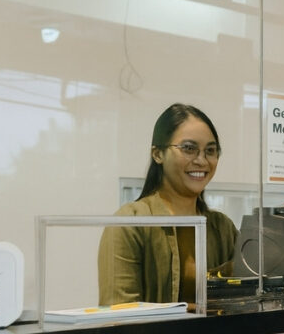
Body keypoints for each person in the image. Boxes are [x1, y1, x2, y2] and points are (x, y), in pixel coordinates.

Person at [98, 103, 238, 306]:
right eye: (189, 149)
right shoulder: (129, 223)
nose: (201, 160)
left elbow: (242, 303)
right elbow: (119, 315)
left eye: (210, 150)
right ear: (158, 154)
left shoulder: (223, 228)